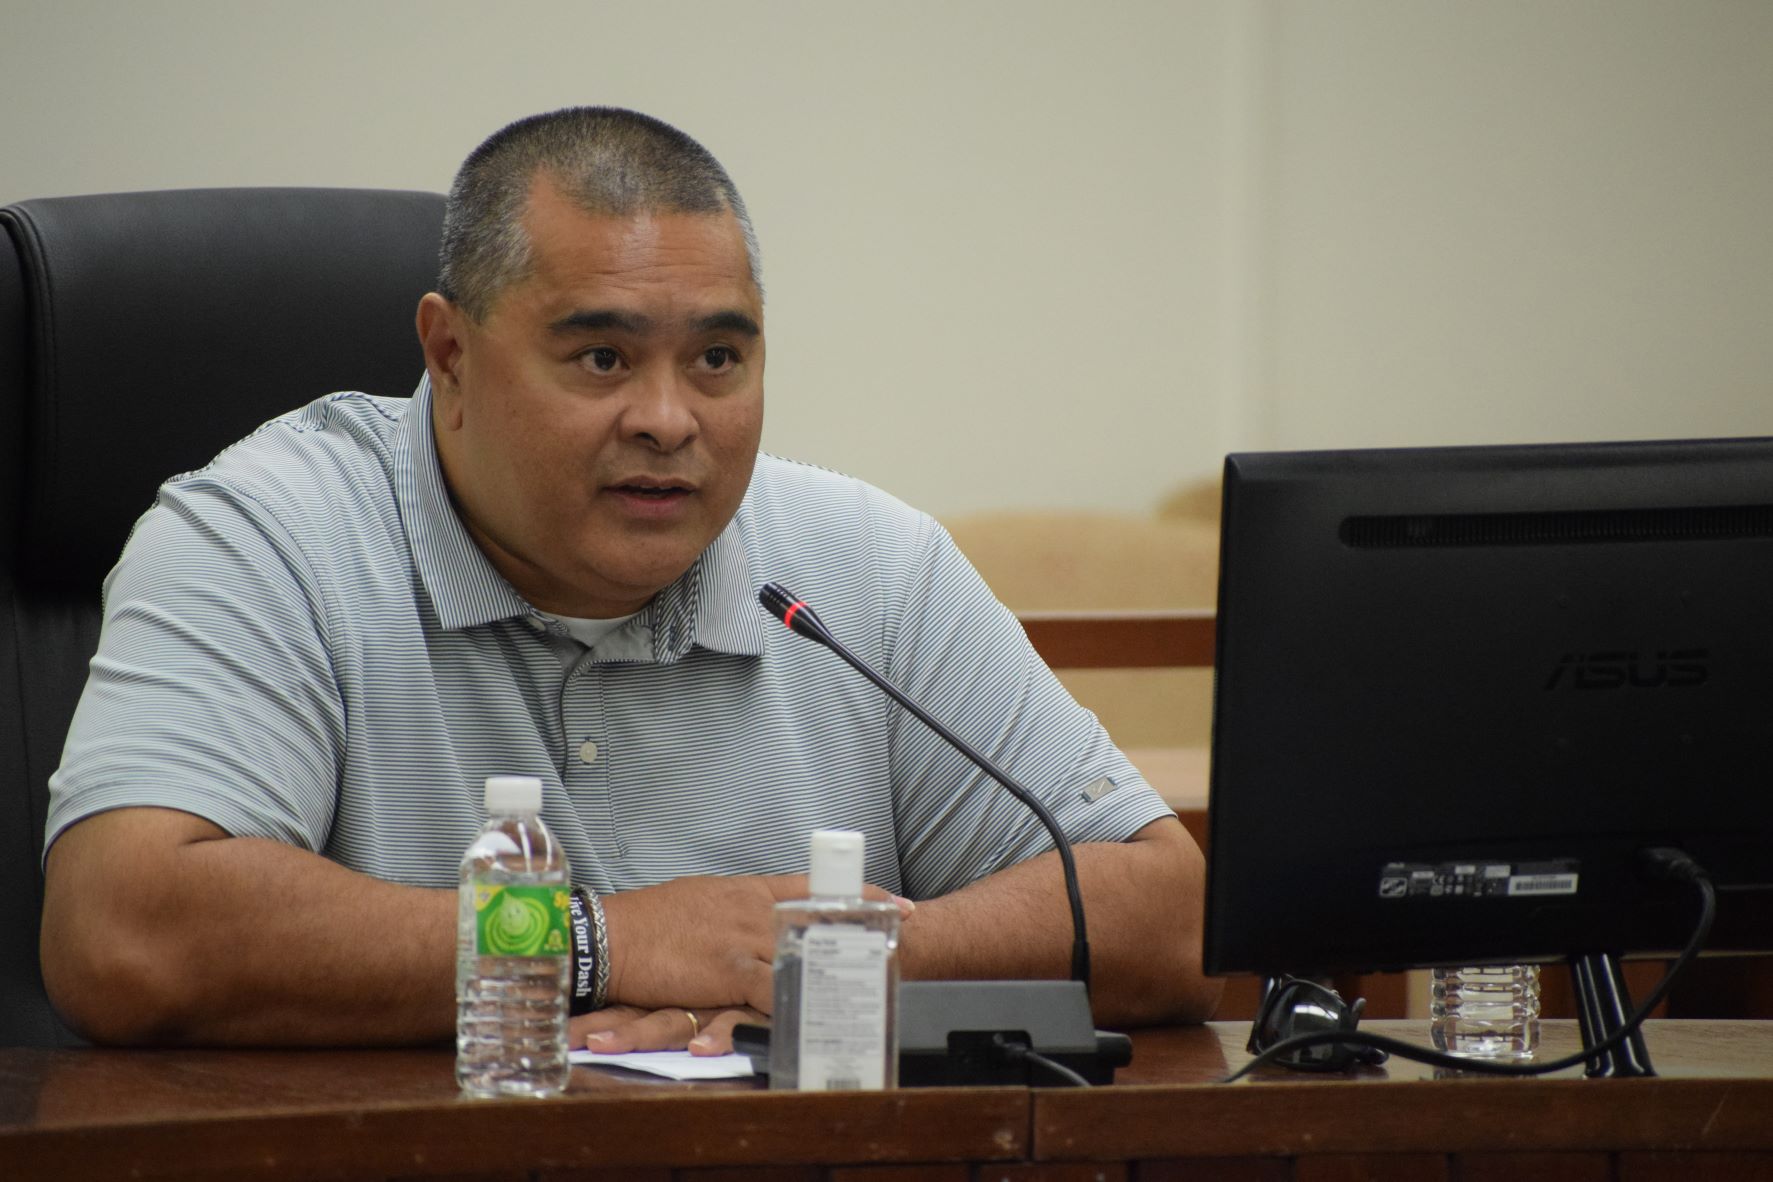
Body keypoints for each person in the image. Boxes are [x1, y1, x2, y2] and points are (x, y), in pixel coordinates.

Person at [40, 107, 1221, 1051]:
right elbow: (124, 930)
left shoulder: (867, 565)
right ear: (449, 355)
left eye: (718, 358)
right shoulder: (269, 535)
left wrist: (817, 959)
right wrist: (594, 943)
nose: (668, 420)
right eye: (602, 356)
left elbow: (1165, 913)